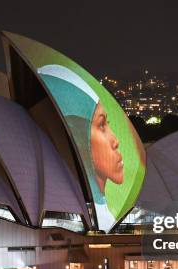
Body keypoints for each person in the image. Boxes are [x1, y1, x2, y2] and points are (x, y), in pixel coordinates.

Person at [38, 64, 124, 229]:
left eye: (108, 123)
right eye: (101, 125)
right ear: (79, 138)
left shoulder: (110, 214)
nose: (115, 141)